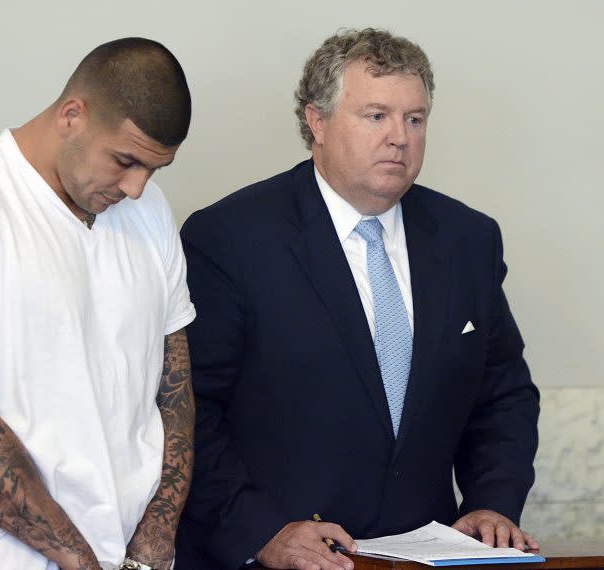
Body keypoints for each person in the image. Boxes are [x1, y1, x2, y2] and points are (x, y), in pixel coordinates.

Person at [175, 28, 541, 570]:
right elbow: (188, 413)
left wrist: (492, 501)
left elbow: (503, 393)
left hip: (422, 555)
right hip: (281, 556)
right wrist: (261, 532)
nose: (400, 137)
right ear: (316, 122)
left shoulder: (468, 239)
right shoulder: (230, 238)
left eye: (415, 119)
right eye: (376, 116)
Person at [0, 38, 195, 570]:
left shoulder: (150, 212)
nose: (138, 187)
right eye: (125, 161)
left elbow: (175, 388)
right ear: (72, 115)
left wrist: (154, 540)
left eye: (153, 169)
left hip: (129, 557)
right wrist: (77, 558)